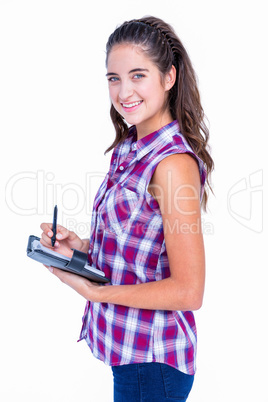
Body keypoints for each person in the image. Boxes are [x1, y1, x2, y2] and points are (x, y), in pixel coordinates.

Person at [40, 16, 214, 402]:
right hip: (131, 355)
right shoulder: (131, 148)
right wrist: (80, 248)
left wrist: (99, 293)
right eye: (114, 78)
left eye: (138, 75)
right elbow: (139, 252)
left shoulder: (172, 166)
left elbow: (189, 291)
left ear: (168, 77)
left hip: (153, 363)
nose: (123, 91)